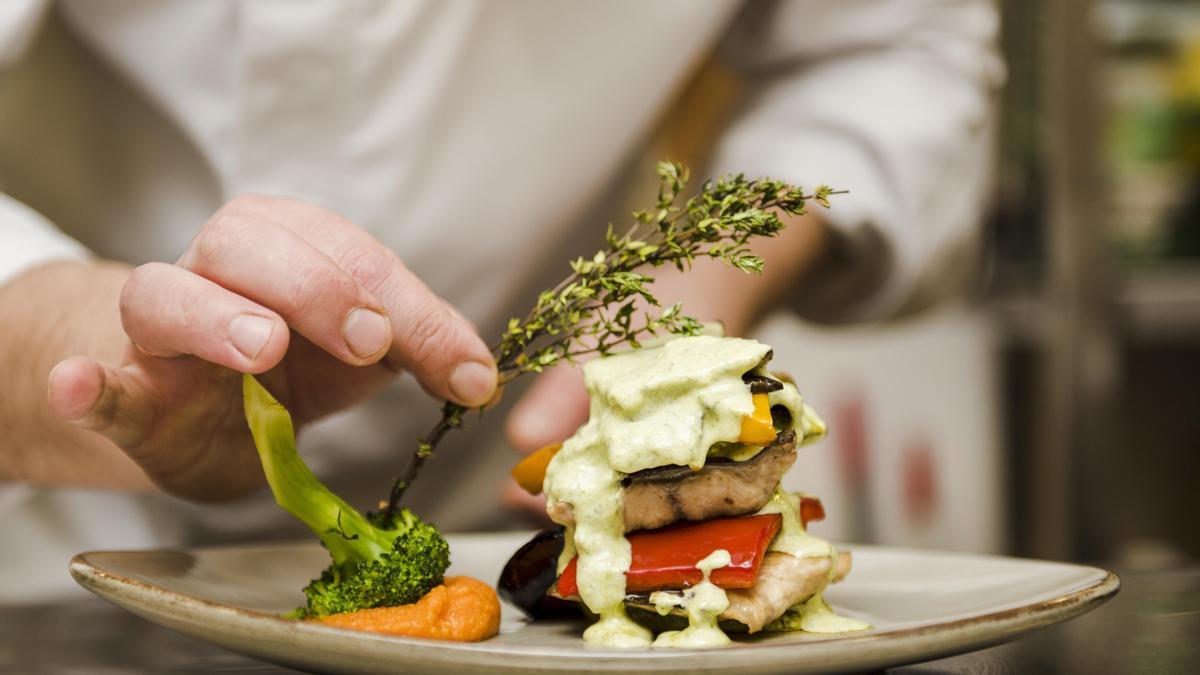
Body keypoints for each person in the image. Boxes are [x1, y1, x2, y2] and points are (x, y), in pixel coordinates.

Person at [0, 0, 1002, 601]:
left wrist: (697, 277)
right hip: (49, 527)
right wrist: (81, 343)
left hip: (501, 524)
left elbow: (892, 44)